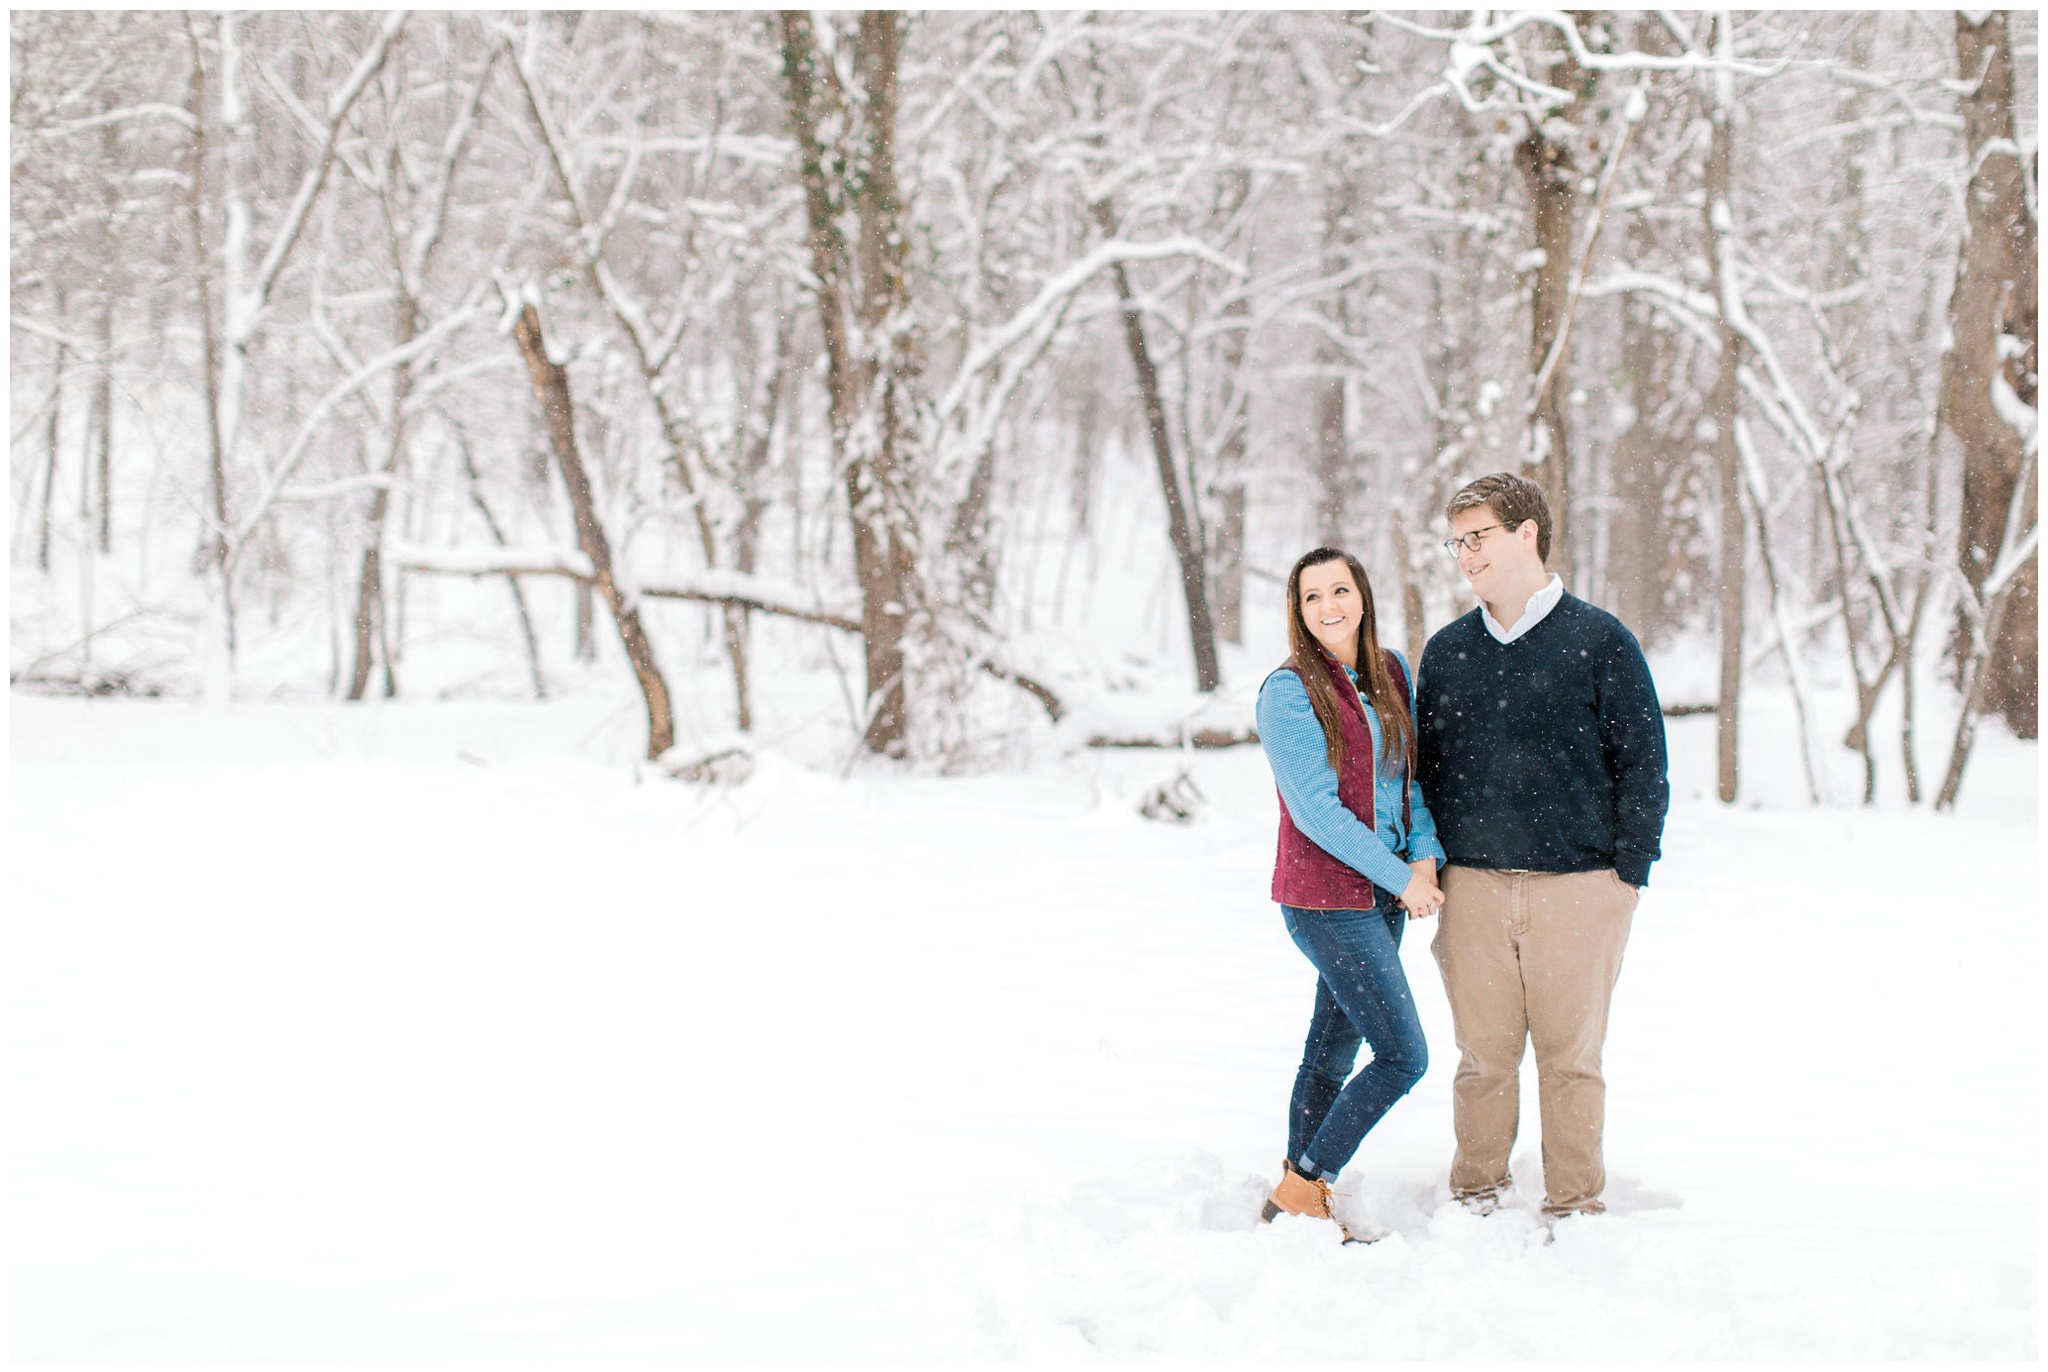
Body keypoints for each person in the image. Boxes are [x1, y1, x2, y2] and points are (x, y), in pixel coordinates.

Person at [1415, 473, 1670, 1221]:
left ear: (1527, 533)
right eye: (1456, 541)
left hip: (1580, 889)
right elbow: (1425, 771)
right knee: (1483, 1062)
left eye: (1478, 537)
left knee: (1570, 1065)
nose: (1465, 555)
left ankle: (1574, 1205)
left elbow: (1643, 765)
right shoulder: (1450, 651)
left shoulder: (1599, 641)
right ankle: (1477, 1195)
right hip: (1475, 890)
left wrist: (1627, 875)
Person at [1254, 547, 1446, 1243]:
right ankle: (1307, 1184)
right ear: (1298, 611)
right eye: (1312, 597)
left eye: (1340, 590)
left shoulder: (1391, 670)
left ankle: (1294, 1190)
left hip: (1385, 895)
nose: (1328, 606)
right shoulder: (1287, 691)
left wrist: (1422, 854)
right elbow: (1318, 814)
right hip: (1327, 902)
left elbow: (1409, 779)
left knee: (1331, 1052)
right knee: (1403, 1056)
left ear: (1362, 596)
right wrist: (1403, 879)